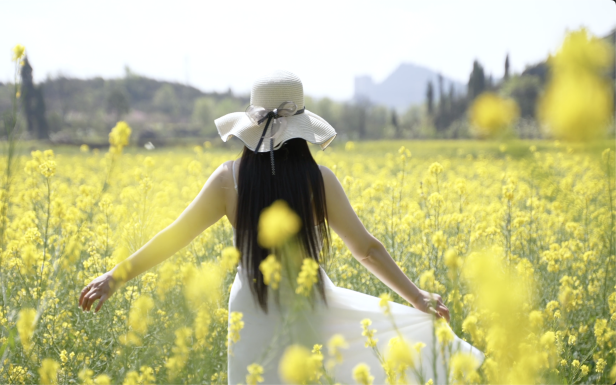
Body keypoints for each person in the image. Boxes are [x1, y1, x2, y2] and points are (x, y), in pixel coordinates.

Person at [78, 70, 484, 384]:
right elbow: (368, 250)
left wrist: (116, 277)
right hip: (308, 306)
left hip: (249, 308)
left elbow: (175, 235)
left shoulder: (228, 179)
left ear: (251, 126)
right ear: (302, 128)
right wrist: (416, 298)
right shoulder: (318, 181)